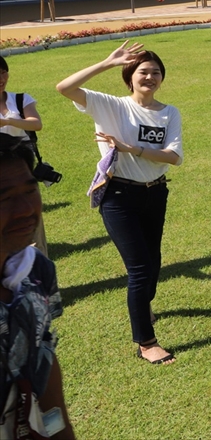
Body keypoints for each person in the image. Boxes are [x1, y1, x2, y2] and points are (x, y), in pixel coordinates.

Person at [56, 42, 183, 365]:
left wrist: (131, 148)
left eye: (156, 72)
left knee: (152, 262)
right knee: (140, 268)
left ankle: (143, 306)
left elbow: (173, 157)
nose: (150, 77)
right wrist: (105, 63)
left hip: (155, 193)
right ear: (130, 76)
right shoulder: (109, 105)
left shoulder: (169, 113)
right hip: (119, 197)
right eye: (143, 72)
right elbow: (64, 87)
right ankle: (146, 342)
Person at [0, 135, 74, 439]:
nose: (25, 210)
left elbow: (42, 352)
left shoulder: (36, 270)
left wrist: (61, 431)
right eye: (3, 198)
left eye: (30, 190)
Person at [0, 57, 48, 255]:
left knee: (31, 224)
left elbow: (36, 124)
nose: (1, 78)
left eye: (3, 72)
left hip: (21, 170)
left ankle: (40, 275)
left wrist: (8, 122)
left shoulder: (20, 100)